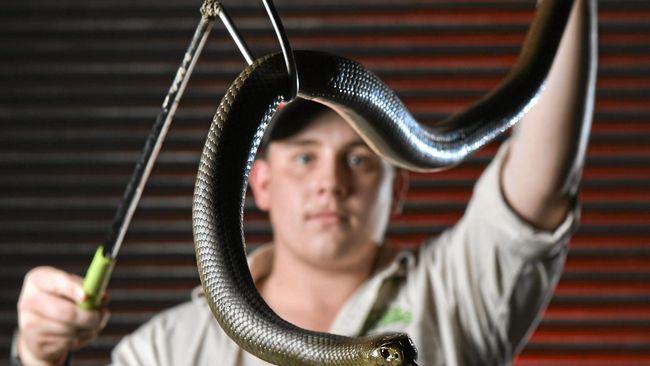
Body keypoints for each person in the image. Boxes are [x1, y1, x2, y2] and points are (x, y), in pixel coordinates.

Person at [12, 0, 593, 365]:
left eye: (360, 160)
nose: (331, 183)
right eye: (304, 158)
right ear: (257, 183)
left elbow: (542, 178)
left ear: (399, 186)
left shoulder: (457, 292)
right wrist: (37, 355)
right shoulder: (165, 350)